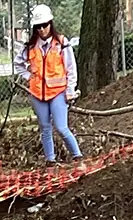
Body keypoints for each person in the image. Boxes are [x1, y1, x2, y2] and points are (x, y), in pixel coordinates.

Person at [13, 4, 82, 166]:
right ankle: (50, 161)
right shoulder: (30, 47)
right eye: (38, 26)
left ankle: (78, 157)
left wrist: (70, 90)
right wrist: (28, 76)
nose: (42, 29)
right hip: (38, 93)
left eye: (44, 25)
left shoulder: (61, 43)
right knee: (45, 127)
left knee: (61, 127)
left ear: (50, 23)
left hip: (58, 92)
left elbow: (71, 68)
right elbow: (18, 64)